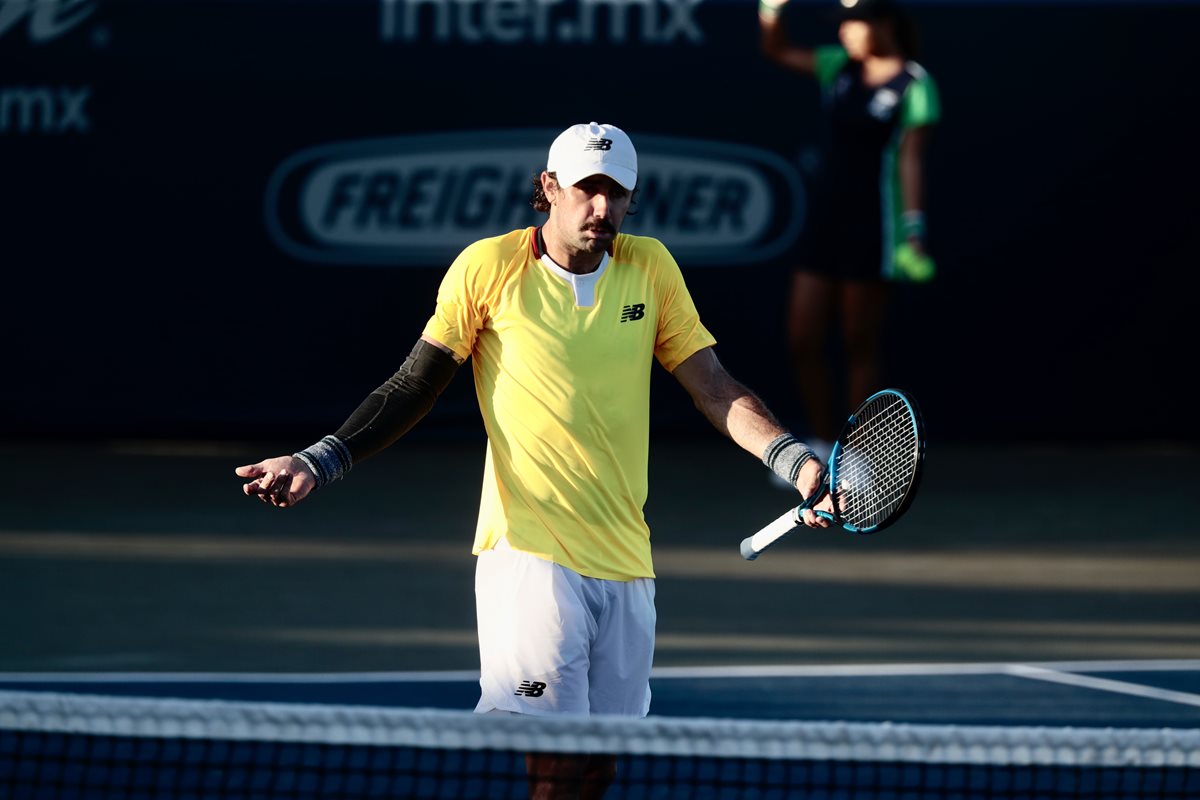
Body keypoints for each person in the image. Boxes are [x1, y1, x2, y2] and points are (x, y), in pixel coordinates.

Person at [235, 121, 832, 799]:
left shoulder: (652, 268)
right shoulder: (489, 267)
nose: (601, 207)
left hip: (626, 557)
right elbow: (413, 385)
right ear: (549, 187)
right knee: (557, 764)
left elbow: (715, 388)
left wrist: (797, 465)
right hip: (529, 554)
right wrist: (319, 460)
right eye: (586, 189)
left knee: (600, 765)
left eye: (616, 193)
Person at [759, 0, 940, 461]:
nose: (843, 33)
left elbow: (911, 160)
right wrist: (771, 10)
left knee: (860, 345)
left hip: (875, 227)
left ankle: (856, 456)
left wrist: (912, 230)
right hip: (825, 220)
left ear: (882, 23)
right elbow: (776, 49)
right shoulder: (837, 66)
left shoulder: (915, 85)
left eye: (852, 24)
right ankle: (821, 445)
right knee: (803, 339)